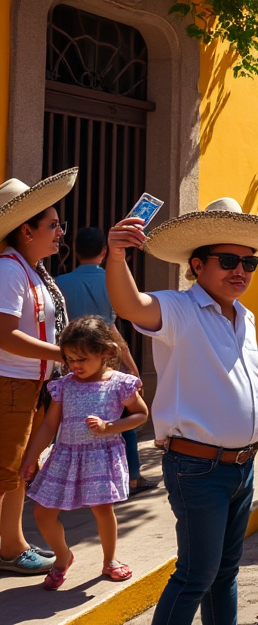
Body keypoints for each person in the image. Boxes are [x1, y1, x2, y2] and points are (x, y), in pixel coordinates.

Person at [106, 197, 258, 625]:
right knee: (197, 574)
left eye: (248, 264)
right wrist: (117, 256)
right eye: (228, 261)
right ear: (197, 265)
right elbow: (130, 306)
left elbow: (252, 385)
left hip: (241, 468)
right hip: (197, 469)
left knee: (224, 573)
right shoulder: (179, 309)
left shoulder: (245, 318)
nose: (240, 272)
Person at [19, 315, 147, 588]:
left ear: (105, 352)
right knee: (42, 512)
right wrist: (31, 456)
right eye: (69, 359)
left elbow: (141, 415)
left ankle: (110, 560)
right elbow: (49, 425)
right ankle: (63, 556)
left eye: (82, 358)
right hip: (64, 457)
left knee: (103, 510)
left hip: (101, 457)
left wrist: (110, 426)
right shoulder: (64, 386)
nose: (75, 365)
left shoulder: (119, 383)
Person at [0, 167, 77, 577]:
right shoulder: (9, 270)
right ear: (26, 231)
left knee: (16, 473)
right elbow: (4, 335)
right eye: (53, 224)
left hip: (28, 385)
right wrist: (66, 353)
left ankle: (12, 547)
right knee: (7, 472)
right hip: (11, 383)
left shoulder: (29, 269)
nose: (60, 232)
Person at [55, 226, 154, 494]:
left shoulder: (59, 283)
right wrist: (131, 366)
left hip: (70, 360)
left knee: (68, 422)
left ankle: (71, 479)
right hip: (103, 358)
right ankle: (132, 476)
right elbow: (110, 328)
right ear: (104, 252)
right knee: (123, 415)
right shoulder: (111, 279)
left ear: (75, 251)